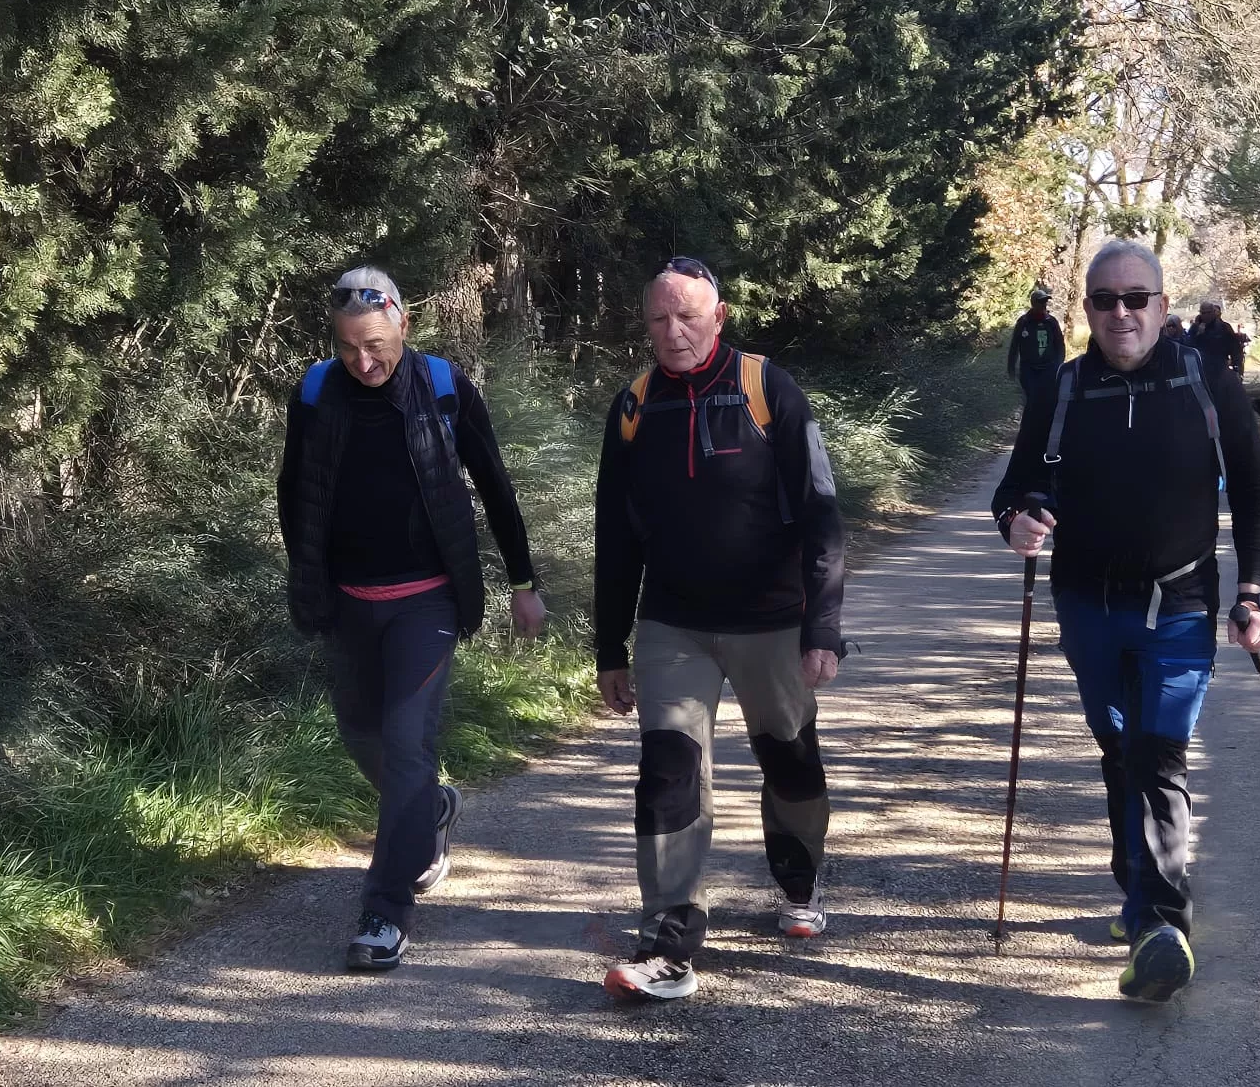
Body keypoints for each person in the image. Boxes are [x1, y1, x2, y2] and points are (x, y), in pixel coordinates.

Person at [990, 239, 1260, 1004]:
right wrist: (1016, 521)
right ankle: (1138, 889)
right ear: (1086, 309)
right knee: (1119, 748)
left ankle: (1160, 925)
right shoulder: (1059, 391)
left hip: (1180, 606)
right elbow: (1012, 492)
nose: (1122, 313)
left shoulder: (1206, 382)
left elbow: (1254, 495)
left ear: (1162, 304)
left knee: (1160, 755)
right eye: (1106, 300)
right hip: (1086, 606)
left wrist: (1252, 593)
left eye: (1136, 298)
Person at [277, 265, 546, 973]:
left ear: (402, 322)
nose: (364, 361)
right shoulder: (314, 392)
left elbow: (494, 483)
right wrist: (306, 579)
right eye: (348, 348)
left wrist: (523, 581)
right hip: (346, 599)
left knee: (405, 745)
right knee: (361, 735)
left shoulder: (445, 387)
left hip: (427, 597)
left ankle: (385, 908)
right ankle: (427, 810)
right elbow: (293, 491)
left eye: (375, 344)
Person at [594, 256, 847, 1002]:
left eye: (689, 317)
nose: (673, 333)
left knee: (790, 760)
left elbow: (823, 513)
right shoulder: (635, 406)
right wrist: (610, 647)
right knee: (668, 770)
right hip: (674, 624)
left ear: (720, 316)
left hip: (773, 620)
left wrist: (822, 625)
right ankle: (668, 941)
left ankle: (798, 884)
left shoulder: (769, 389)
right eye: (659, 319)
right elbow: (617, 537)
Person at [1007, 286, 1067, 403]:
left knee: (1048, 399)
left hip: (1049, 368)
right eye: (1041, 302)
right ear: (1034, 303)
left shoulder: (1051, 322)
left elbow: (1060, 345)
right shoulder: (1023, 322)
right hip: (1029, 370)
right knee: (1032, 400)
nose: (1044, 305)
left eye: (1045, 301)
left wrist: (1059, 365)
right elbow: (1014, 346)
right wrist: (1011, 367)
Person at [1185, 299, 1240, 375]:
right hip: (1201, 367)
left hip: (1220, 366)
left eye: (1209, 312)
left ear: (1213, 312)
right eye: (1204, 313)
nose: (1206, 315)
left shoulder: (1223, 327)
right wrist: (1198, 334)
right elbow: (1188, 346)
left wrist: (1236, 366)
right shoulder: (1195, 327)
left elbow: (1234, 347)